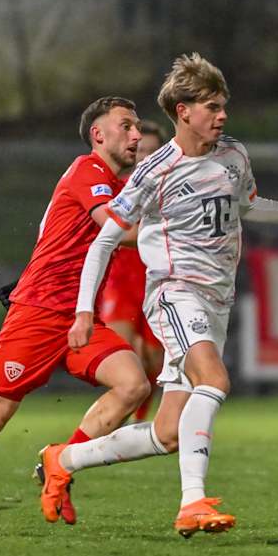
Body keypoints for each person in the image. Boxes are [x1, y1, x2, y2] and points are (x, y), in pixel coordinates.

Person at [38, 53, 278, 537]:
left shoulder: (234, 155)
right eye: (212, 106)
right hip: (174, 292)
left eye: (223, 105)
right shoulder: (154, 171)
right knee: (215, 379)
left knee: (168, 433)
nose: (222, 115)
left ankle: (64, 458)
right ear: (183, 111)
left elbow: (250, 205)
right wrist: (84, 310)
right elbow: (104, 240)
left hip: (216, 301)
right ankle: (192, 503)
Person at [0, 97, 151, 532]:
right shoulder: (87, 171)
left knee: (133, 384)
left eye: (137, 127)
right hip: (37, 315)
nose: (135, 135)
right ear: (98, 134)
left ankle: (59, 462)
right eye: (126, 126)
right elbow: (117, 230)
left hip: (80, 318)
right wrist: (182, 232)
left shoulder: (117, 185)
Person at [99, 120, 168, 422]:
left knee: (154, 359)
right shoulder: (119, 189)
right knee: (126, 352)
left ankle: (139, 415)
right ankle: (124, 414)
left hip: (156, 279)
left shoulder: (172, 190)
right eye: (142, 150)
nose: (147, 156)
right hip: (121, 280)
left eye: (154, 151)